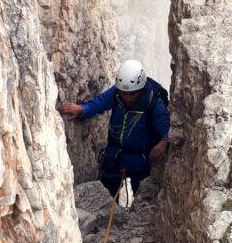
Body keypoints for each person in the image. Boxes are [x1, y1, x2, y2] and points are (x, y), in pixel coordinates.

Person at [59, 59, 170, 201]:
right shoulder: (118, 93)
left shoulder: (154, 103)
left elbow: (165, 127)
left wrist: (164, 141)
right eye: (125, 93)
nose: (128, 98)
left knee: (138, 198)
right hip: (114, 155)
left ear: (141, 89)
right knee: (106, 194)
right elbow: (100, 102)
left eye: (132, 94)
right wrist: (82, 109)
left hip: (139, 161)